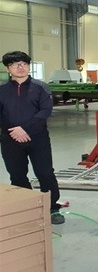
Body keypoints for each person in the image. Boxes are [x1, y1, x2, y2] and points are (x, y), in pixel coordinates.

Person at [0, 51, 65, 225]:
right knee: (17, 175)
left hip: (37, 137)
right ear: (8, 68)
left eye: (24, 64)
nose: (20, 67)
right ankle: (27, 207)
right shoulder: (2, 90)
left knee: (45, 173)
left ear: (29, 66)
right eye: (15, 64)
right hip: (10, 139)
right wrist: (13, 131)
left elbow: (45, 111)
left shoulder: (41, 87)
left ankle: (52, 208)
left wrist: (24, 129)